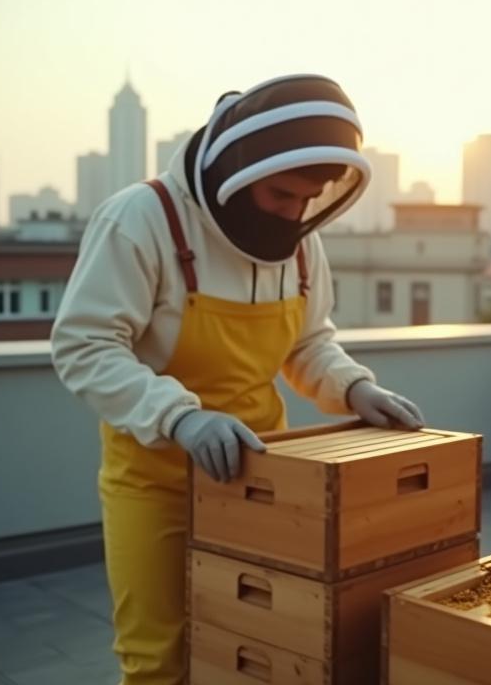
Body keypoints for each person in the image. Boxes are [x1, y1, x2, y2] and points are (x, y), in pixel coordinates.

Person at [51, 74, 424, 684]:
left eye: (307, 199)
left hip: (262, 479)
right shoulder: (140, 219)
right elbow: (84, 346)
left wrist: (355, 388)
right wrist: (182, 417)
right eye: (280, 195)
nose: (294, 212)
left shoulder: (300, 245)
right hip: (156, 482)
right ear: (236, 174)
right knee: (159, 658)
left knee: (262, 646)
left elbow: (307, 343)